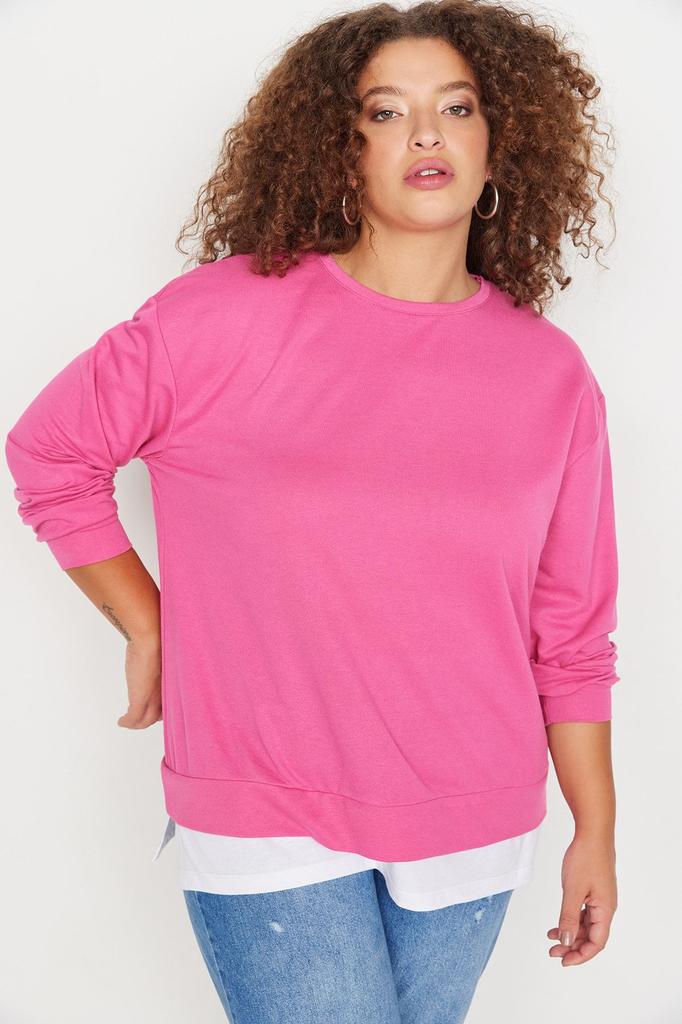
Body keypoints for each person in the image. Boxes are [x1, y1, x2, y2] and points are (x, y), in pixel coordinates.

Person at [4, 1, 621, 1021]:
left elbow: (573, 632)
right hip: (265, 800)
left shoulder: (549, 375)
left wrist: (594, 830)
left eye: (455, 107)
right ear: (342, 147)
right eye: (385, 112)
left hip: (475, 819)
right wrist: (150, 624)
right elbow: (50, 454)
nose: (423, 133)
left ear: (497, 142)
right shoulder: (219, 318)